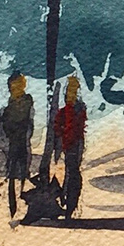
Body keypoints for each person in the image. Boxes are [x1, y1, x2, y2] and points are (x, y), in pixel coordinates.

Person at [0, 70, 35, 219]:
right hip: (14, 145)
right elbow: (4, 128)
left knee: (21, 175)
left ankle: (20, 207)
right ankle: (13, 210)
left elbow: (29, 125)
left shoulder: (26, 103)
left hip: (21, 144)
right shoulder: (8, 109)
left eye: (19, 85)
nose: (16, 88)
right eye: (14, 86)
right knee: (13, 176)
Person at [53, 74, 87, 220]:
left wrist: (63, 134)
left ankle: (69, 204)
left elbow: (67, 127)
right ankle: (68, 204)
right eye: (70, 92)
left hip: (74, 143)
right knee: (71, 172)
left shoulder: (76, 109)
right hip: (71, 143)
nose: (70, 94)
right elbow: (58, 126)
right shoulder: (69, 110)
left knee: (72, 172)